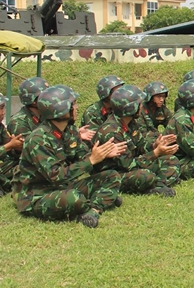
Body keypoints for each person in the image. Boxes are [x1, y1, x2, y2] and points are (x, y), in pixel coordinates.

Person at [13, 85, 125, 228]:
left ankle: (94, 209)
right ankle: (100, 200)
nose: (76, 107)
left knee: (112, 176)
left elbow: (81, 155)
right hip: (38, 194)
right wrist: (91, 160)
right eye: (73, 105)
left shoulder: (70, 130)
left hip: (62, 186)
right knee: (73, 198)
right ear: (61, 110)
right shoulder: (38, 139)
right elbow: (56, 176)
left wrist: (101, 155)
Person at [93, 85, 179, 197]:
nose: (141, 107)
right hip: (114, 173)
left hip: (131, 167)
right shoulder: (111, 131)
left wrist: (155, 145)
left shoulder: (131, 123)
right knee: (144, 175)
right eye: (139, 104)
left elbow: (140, 146)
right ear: (131, 107)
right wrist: (156, 153)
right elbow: (129, 165)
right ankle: (153, 185)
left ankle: (156, 185)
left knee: (171, 160)